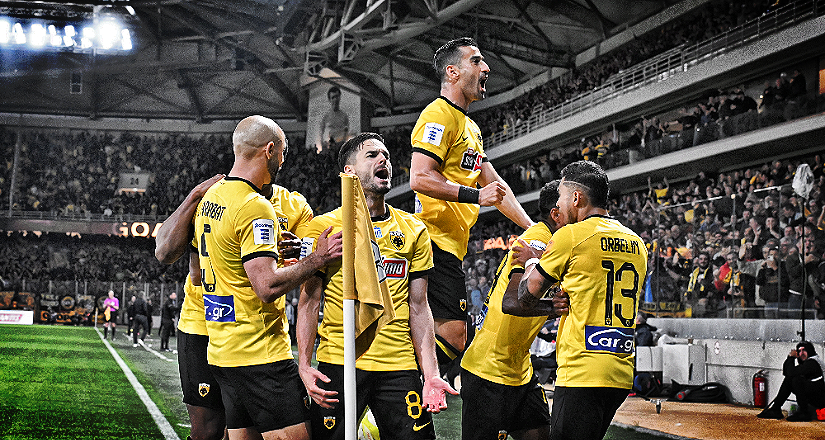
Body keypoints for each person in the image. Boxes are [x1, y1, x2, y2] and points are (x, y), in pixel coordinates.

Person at [297, 132, 457, 440]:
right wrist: (304, 364)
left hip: (398, 364)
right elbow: (309, 301)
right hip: (340, 360)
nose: (384, 159)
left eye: (386, 155)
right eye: (372, 155)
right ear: (349, 171)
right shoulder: (323, 227)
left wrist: (431, 373)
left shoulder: (414, 229)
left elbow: (419, 306)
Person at [193, 115, 341, 440]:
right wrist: (319, 258)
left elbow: (197, 272)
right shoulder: (255, 206)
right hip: (260, 354)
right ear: (269, 150)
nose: (284, 160)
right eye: (283, 152)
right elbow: (267, 286)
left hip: (223, 351)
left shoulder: (211, 199)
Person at [409, 37, 533, 383]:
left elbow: (497, 187)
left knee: (447, 334)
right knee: (454, 335)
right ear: (452, 72)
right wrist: (475, 196)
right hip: (431, 242)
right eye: (476, 61)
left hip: (451, 246)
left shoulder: (471, 128)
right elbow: (420, 177)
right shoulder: (438, 114)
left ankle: (402, 390)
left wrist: (532, 227)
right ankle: (396, 391)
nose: (486, 68)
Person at [517, 160, 648, 440]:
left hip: (582, 370)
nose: (559, 205)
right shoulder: (637, 242)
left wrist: (531, 261)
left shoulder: (571, 236)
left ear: (576, 198)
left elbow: (526, 295)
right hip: (621, 370)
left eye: (562, 197)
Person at [460, 180, 570, 440]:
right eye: (572, 204)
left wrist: (553, 308)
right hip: (488, 370)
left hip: (519, 369)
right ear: (556, 214)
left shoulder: (554, 243)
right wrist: (552, 307)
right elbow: (511, 303)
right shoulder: (539, 241)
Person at [757, 341, 825, 421]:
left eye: (804, 350)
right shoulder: (808, 362)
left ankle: (804, 413)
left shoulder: (813, 362)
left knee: (796, 380)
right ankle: (776, 409)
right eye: (799, 351)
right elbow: (787, 372)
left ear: (809, 351)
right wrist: (789, 357)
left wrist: (791, 358)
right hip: (816, 394)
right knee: (790, 379)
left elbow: (791, 372)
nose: (802, 353)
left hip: (821, 399)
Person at [319, 86, 350, 151]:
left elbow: (346, 131)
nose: (335, 99)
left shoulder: (344, 116)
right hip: (328, 148)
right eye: (333, 97)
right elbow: (321, 132)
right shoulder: (325, 116)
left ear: (340, 98)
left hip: (340, 148)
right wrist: (323, 143)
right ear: (329, 99)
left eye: (337, 96)